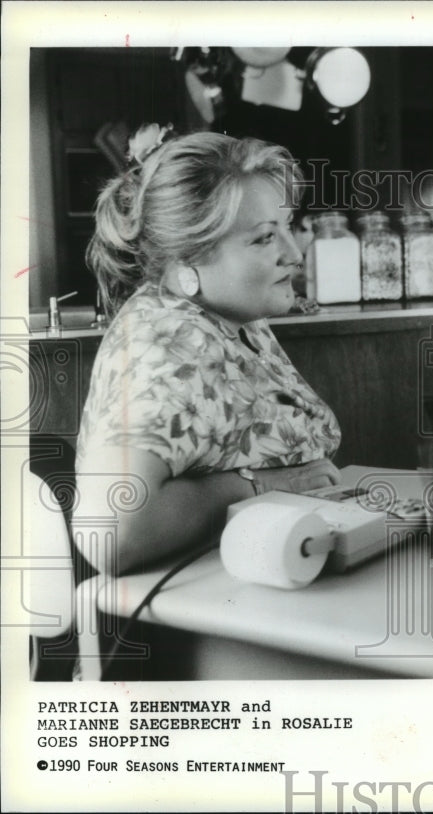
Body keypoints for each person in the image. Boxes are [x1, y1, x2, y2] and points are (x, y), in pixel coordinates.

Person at [74, 127, 342, 575]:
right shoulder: (167, 341)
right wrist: (258, 486)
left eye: (288, 227)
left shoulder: (233, 318)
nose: (295, 254)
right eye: (263, 238)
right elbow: (108, 532)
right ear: (187, 265)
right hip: (203, 609)